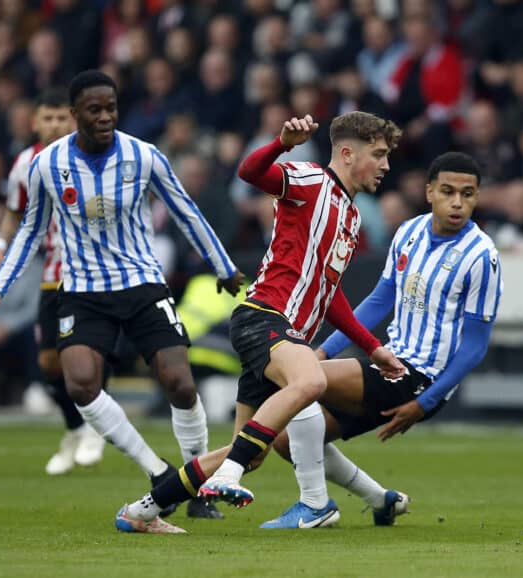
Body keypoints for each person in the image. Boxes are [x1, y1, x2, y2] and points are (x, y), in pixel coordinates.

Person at [114, 151, 502, 533]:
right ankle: (147, 508)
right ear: (430, 191)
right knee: (273, 442)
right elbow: (378, 300)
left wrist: (425, 402)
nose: (457, 202)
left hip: (417, 375)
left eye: (467, 194)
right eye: (448, 191)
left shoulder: (481, 255)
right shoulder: (410, 232)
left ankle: (315, 504)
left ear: (477, 197)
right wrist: (323, 351)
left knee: (299, 387)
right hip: (385, 361)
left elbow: (474, 346)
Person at [0, 70, 246, 519]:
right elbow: (30, 230)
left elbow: (186, 213)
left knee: (180, 382)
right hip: (82, 291)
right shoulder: (48, 165)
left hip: (141, 284)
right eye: (94, 110)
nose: (105, 117)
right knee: (79, 383)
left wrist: (224, 267)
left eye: (111, 108)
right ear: (75, 115)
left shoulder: (144, 156)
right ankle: (158, 473)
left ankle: (199, 483)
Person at [113, 110, 407, 533]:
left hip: (284, 334)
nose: (386, 165)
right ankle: (229, 477)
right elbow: (250, 171)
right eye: (378, 155)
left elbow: (330, 296)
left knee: (248, 451)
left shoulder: (351, 217)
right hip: (264, 317)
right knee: (312, 382)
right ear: (346, 153)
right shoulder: (309, 180)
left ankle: (142, 511)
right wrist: (282, 143)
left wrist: (372, 346)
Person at [0, 87, 106, 475]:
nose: (54, 125)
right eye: (46, 118)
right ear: (34, 122)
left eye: (60, 118)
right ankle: (75, 429)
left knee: (90, 356)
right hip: (53, 274)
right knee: (49, 362)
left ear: (73, 119)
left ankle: (96, 429)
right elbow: (14, 212)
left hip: (96, 272)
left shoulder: (90, 156)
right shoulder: (25, 162)